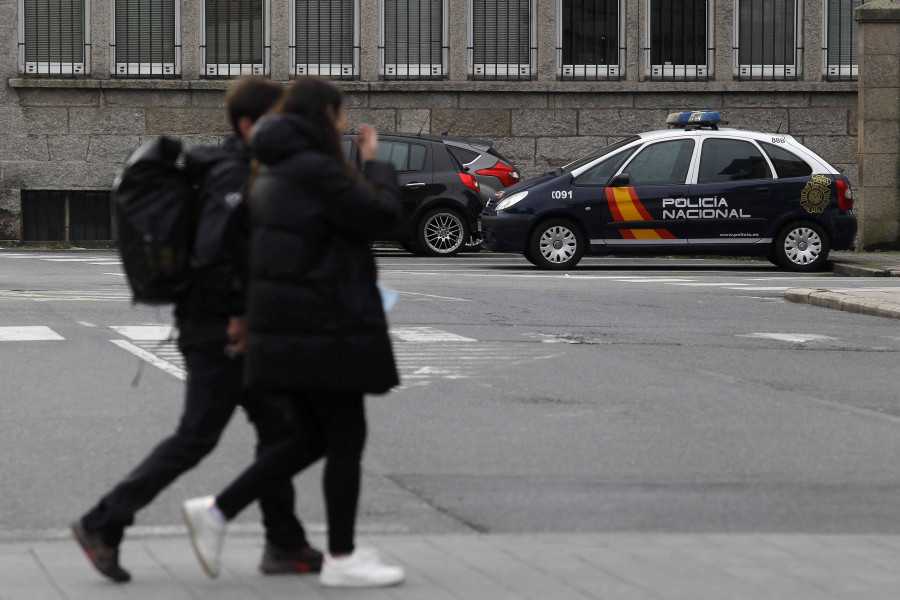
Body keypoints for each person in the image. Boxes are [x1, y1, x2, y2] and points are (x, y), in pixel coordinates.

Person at [72, 77, 322, 583]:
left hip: (225, 325)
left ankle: (285, 543)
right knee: (198, 437)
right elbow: (213, 253)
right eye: (280, 120)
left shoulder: (242, 167)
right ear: (251, 125)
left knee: (281, 430)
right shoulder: (233, 173)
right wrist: (238, 316)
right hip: (219, 329)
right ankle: (103, 521)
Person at [181, 77, 405, 588]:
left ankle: (217, 511)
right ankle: (343, 559)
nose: (346, 124)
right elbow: (383, 215)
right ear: (324, 114)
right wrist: (376, 163)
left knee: (309, 437)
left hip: (294, 326)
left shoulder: (276, 167)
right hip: (322, 326)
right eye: (341, 114)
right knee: (345, 436)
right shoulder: (314, 170)